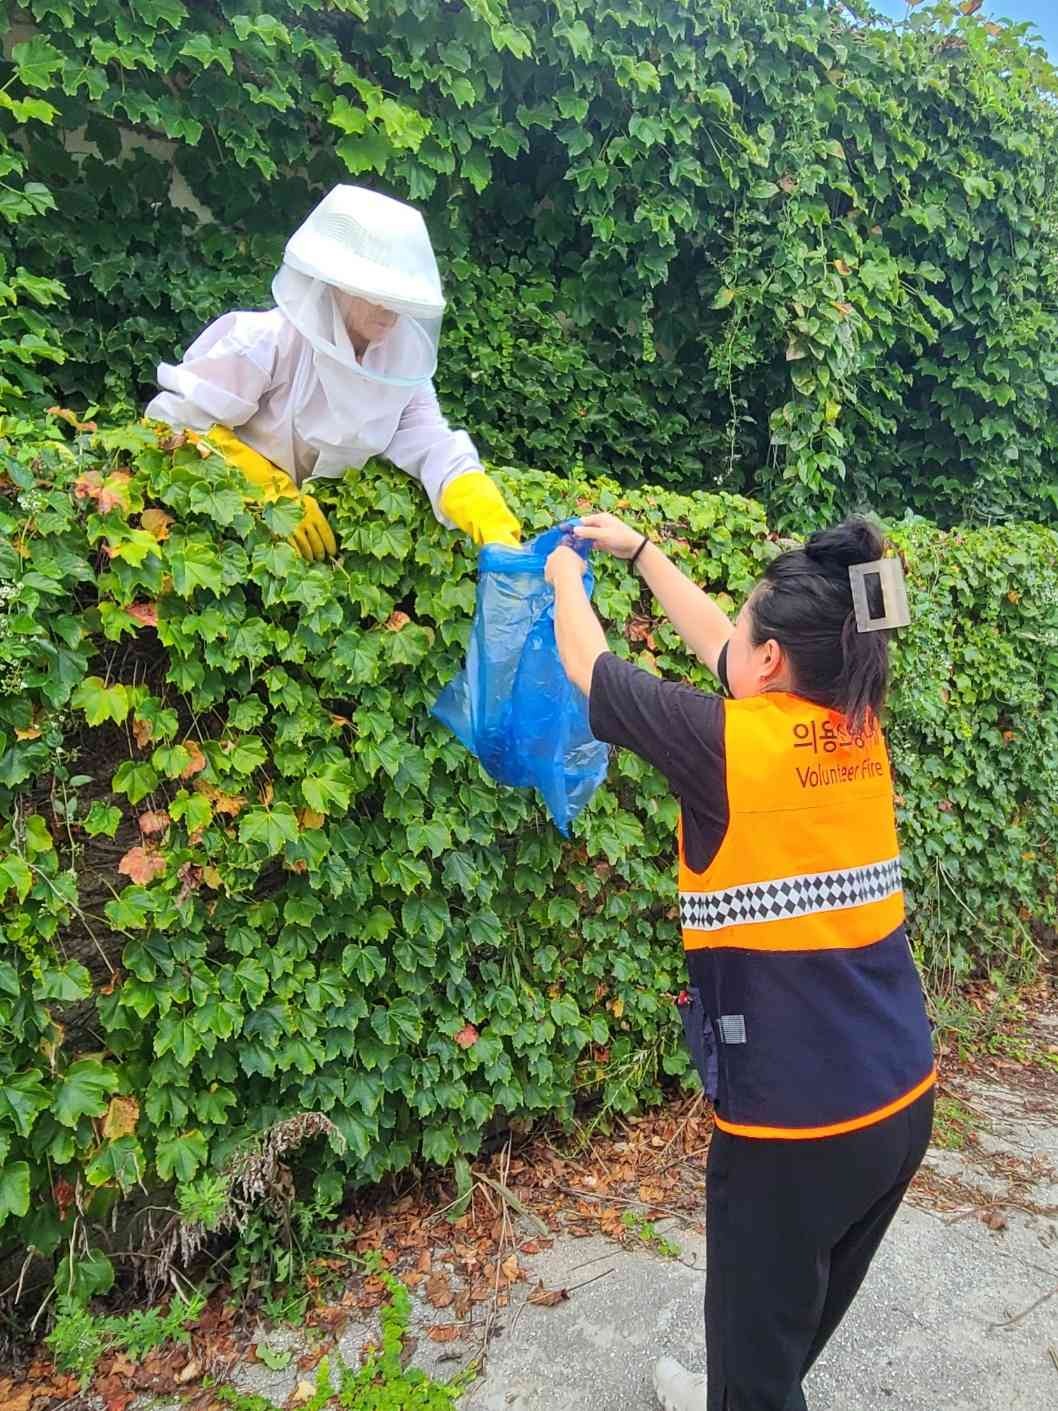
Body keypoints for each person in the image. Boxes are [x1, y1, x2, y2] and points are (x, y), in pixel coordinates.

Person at [545, 513, 935, 1411]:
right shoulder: (856, 724)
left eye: (749, 626)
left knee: (761, 1367)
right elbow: (725, 643)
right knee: (782, 1326)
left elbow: (589, 670)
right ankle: (738, 1383)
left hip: (795, 1132)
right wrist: (643, 554)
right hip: (901, 1100)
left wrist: (562, 577)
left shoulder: (727, 747)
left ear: (770, 665)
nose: (735, 639)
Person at [146, 184, 520, 560]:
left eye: (401, 296)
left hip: (316, 554)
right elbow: (176, 422)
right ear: (337, 282)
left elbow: (432, 445)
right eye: (377, 292)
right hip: (220, 537)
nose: (390, 308)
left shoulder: (402, 367)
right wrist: (270, 489)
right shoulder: (266, 339)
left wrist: (490, 520)